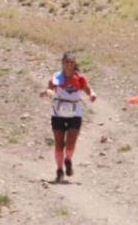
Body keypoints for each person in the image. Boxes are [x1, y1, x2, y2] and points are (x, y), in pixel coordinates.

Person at [40, 52, 96, 183]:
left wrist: (92, 94)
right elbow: (49, 90)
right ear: (62, 63)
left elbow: (87, 90)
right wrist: (47, 92)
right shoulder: (56, 78)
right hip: (58, 113)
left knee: (70, 143)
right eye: (67, 62)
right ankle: (59, 170)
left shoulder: (80, 79)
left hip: (75, 113)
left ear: (74, 64)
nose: (69, 65)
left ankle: (68, 160)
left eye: (72, 62)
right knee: (59, 144)